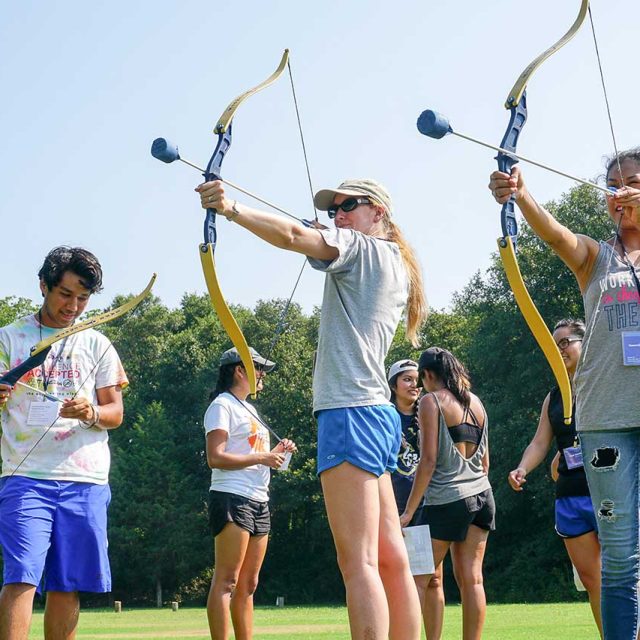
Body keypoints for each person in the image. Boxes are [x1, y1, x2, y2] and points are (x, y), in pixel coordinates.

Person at [196, 177, 428, 639]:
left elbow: (290, 236)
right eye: (335, 210)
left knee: (358, 561)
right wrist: (321, 237)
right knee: (389, 557)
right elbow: (308, 239)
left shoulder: (360, 247)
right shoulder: (393, 260)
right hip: (377, 413)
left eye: (349, 206)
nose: (339, 215)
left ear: (378, 212)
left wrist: (232, 207)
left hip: (349, 412)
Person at [490, 149, 640, 639]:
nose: (621, 192)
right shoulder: (597, 257)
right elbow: (555, 233)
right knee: (619, 557)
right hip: (606, 423)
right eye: (613, 185)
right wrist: (520, 193)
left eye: (632, 182)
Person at [0, 247, 128, 640]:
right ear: (43, 285)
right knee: (22, 575)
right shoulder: (9, 337)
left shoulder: (98, 344)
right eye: (64, 294)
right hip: (25, 476)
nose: (73, 306)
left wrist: (90, 412)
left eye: (83, 298)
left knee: (67, 582)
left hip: (85, 478)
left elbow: (115, 413)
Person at [508, 319, 602, 637]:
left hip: (612, 492)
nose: (559, 348)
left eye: (566, 341)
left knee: (625, 578)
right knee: (593, 582)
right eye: (554, 343)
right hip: (571, 496)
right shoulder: (553, 397)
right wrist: (522, 468)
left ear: (585, 342)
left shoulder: (606, 383)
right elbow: (539, 442)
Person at [400, 347, 493, 640]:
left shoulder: (431, 402)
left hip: (447, 499)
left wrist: (408, 511)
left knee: (418, 579)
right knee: (472, 580)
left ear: (427, 374)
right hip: (482, 495)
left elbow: (427, 461)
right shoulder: (476, 402)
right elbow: (486, 462)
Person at [205, 346, 297, 640]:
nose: (262, 375)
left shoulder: (250, 410)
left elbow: (257, 456)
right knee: (227, 581)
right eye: (258, 368)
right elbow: (215, 457)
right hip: (232, 497)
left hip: (259, 499)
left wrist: (276, 454)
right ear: (238, 370)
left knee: (249, 583)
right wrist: (262, 458)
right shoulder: (222, 405)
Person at [387, 358, 441, 637]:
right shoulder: (384, 417)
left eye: (416, 378)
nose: (414, 384)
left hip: (427, 505)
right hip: (392, 507)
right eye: (406, 379)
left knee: (432, 579)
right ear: (393, 385)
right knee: (396, 578)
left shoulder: (430, 414)